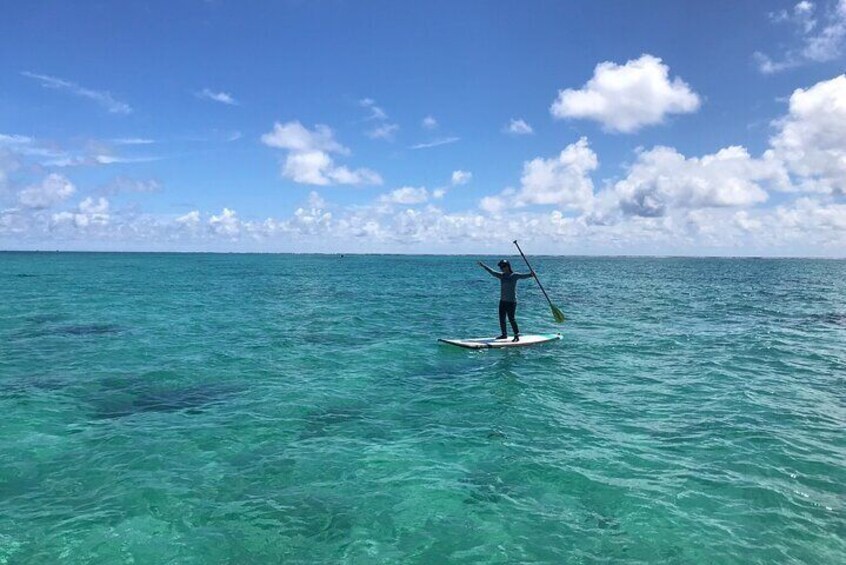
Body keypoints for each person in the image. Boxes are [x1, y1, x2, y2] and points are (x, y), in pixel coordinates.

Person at [478, 259, 534, 341]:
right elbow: (492, 272)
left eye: (503, 267)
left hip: (511, 302)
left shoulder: (515, 275)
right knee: (502, 318)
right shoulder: (502, 276)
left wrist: (531, 274)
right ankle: (504, 335)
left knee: (511, 319)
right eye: (501, 267)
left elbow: (524, 276)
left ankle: (516, 335)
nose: (501, 268)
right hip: (502, 301)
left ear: (507, 266)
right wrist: (483, 266)